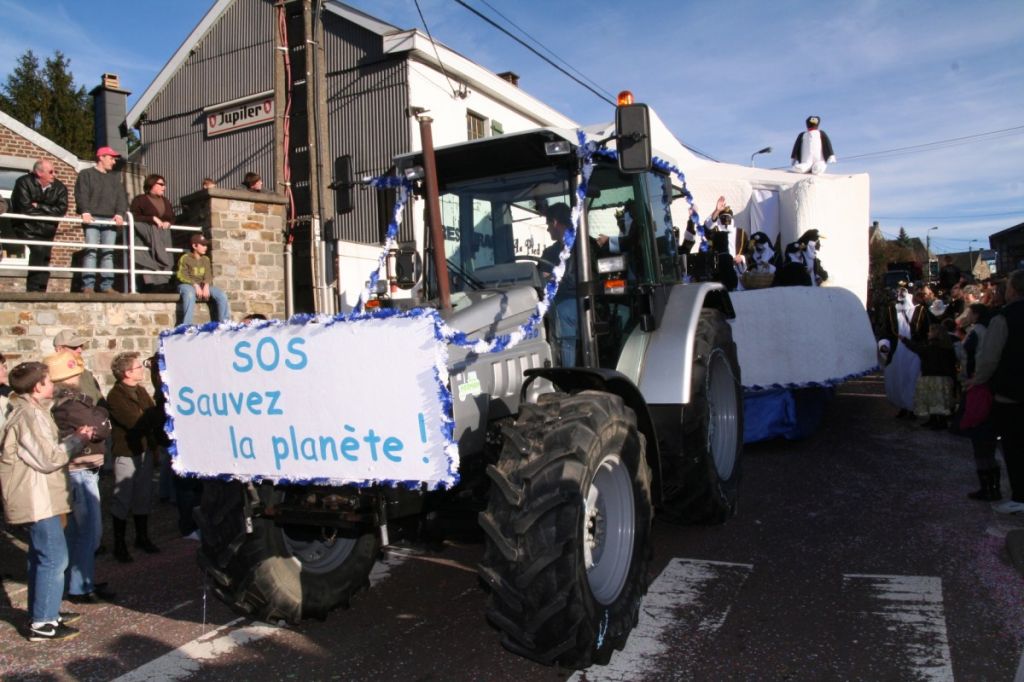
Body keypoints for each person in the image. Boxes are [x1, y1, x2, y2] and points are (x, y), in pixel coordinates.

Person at [0, 361, 93, 641]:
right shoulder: (29, 415)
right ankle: (43, 622)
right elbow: (48, 458)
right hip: (35, 498)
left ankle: (45, 611)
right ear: (38, 386)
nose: (52, 385)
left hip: (40, 496)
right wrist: (77, 439)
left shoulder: (32, 412)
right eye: (49, 381)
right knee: (54, 558)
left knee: (41, 558)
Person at [44, 351, 115, 604]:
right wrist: (101, 415)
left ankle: (81, 580)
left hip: (82, 469)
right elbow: (100, 429)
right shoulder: (71, 405)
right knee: (88, 531)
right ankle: (80, 586)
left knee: (78, 532)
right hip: (80, 470)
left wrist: (98, 416)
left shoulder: (71, 403)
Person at [969, 269, 1024, 514]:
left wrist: (977, 380)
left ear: (1013, 289)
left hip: (1012, 391)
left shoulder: (1004, 317)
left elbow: (990, 357)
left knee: (1014, 445)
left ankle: (1021, 496)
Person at [106, 352, 164, 562]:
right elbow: (136, 422)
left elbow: (151, 417)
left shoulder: (139, 391)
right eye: (139, 367)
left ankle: (142, 537)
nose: (142, 370)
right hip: (127, 453)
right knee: (123, 498)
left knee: (143, 495)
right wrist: (157, 414)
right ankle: (119, 544)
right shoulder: (115, 396)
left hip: (144, 450)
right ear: (127, 373)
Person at [958, 303, 1000, 501]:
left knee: (980, 438)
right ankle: (992, 486)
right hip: (982, 383)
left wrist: (972, 379)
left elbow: (973, 356)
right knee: (985, 441)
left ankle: (989, 487)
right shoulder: (987, 330)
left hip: (977, 384)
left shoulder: (978, 332)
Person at [75, 146, 129, 294]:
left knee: (108, 253)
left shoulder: (115, 179)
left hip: (110, 220)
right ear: (101, 157)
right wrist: (85, 211)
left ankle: (107, 285)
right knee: (91, 251)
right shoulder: (86, 174)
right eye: (111, 158)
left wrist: (119, 213)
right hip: (92, 218)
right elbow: (81, 194)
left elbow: (122, 199)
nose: (113, 162)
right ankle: (88, 285)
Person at [10, 159, 69, 292]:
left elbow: (61, 210)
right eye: (51, 172)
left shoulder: (59, 188)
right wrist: (48, 211)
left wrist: (39, 206)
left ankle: (41, 290)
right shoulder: (23, 182)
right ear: (39, 173)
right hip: (26, 227)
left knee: (45, 257)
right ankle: (33, 290)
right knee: (38, 250)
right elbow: (25, 208)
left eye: (55, 171)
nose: (54, 174)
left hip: (47, 229)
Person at [882, 287, 927, 418]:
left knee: (912, 377)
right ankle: (903, 405)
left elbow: (925, 330)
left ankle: (912, 407)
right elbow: (887, 330)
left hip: (914, 350)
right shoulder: (892, 310)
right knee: (899, 376)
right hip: (897, 350)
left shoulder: (920, 311)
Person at [903, 324, 958, 429]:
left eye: (930, 332)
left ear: (936, 334)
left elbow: (917, 349)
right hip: (943, 378)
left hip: (932, 377)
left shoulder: (932, 347)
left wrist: (905, 340)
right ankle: (936, 420)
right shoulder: (947, 348)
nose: (928, 333)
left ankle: (939, 422)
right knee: (938, 400)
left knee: (933, 399)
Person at [129, 174, 175, 290]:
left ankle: (163, 284)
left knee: (166, 255)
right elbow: (134, 216)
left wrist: (168, 222)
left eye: (164, 185)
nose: (164, 187)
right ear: (152, 184)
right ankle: (150, 285)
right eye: (161, 184)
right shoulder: (140, 200)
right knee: (147, 259)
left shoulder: (165, 201)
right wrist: (152, 219)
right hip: (146, 237)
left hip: (163, 236)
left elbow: (172, 217)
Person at [176, 233, 230, 325]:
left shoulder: (206, 259)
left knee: (222, 295)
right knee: (189, 294)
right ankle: (186, 325)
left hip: (202, 285)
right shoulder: (185, 258)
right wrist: (195, 285)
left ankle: (224, 323)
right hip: (187, 284)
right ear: (194, 246)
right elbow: (181, 275)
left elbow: (208, 275)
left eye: (206, 245)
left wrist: (206, 285)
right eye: (203, 245)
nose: (206, 247)